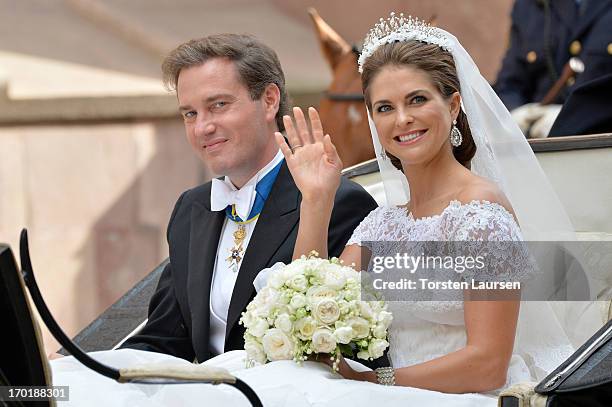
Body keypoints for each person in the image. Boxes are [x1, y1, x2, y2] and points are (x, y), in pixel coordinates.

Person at [49, 17, 580, 406]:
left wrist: (375, 383)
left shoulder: (482, 216)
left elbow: (487, 361)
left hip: (457, 393)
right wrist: (317, 200)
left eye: (418, 100)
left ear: (454, 105)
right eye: (385, 107)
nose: (403, 120)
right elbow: (301, 302)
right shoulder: (382, 221)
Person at [118, 33, 378, 363]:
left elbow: (342, 346)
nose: (202, 128)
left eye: (218, 106)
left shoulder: (340, 203)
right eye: (190, 114)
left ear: (269, 100)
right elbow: (165, 339)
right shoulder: (191, 208)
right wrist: (78, 370)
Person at [494, 0, 612, 137]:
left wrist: (573, 119)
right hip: (539, 146)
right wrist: (515, 114)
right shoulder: (527, 5)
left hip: (601, 144)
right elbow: (509, 84)